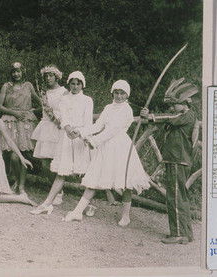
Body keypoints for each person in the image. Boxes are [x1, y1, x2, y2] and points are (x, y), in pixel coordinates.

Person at [63, 80, 150, 226]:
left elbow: (113, 130)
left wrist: (94, 141)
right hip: (106, 146)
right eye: (116, 92)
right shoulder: (108, 107)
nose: (119, 96)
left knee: (125, 182)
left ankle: (126, 215)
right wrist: (81, 131)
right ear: (112, 93)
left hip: (121, 146)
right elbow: (98, 125)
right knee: (94, 177)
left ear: (127, 95)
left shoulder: (127, 110)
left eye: (122, 93)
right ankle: (77, 212)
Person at [141, 78, 198, 244]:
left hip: (177, 161)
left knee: (175, 197)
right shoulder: (183, 115)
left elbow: (169, 117)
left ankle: (178, 234)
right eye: (171, 105)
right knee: (179, 196)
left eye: (174, 104)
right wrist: (150, 117)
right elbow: (169, 118)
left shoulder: (186, 115)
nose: (171, 108)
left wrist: (150, 116)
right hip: (177, 161)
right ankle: (187, 234)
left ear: (185, 103)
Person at [31, 71, 93, 215]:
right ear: (69, 84)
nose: (75, 86)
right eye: (73, 83)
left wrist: (80, 133)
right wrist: (68, 128)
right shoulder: (64, 99)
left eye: (78, 84)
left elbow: (88, 122)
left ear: (82, 85)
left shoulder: (87, 100)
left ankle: (88, 204)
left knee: (86, 173)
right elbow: (63, 118)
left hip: (81, 137)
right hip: (67, 136)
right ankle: (47, 203)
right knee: (61, 172)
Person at [0, 61, 41, 194]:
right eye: (14, 72)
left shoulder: (28, 86)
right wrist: (14, 112)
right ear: (11, 73)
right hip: (10, 122)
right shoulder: (6, 86)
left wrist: (31, 111)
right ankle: (16, 180)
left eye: (19, 71)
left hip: (26, 123)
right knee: (13, 157)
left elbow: (41, 104)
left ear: (23, 72)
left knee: (25, 154)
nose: (17, 74)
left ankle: (21, 186)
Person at [31, 65, 67, 205]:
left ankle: (59, 192)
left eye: (51, 75)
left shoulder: (64, 92)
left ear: (56, 77)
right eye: (46, 76)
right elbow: (45, 108)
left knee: (56, 161)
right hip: (46, 127)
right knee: (45, 163)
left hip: (58, 127)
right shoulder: (44, 92)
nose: (48, 78)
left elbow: (66, 109)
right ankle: (57, 190)